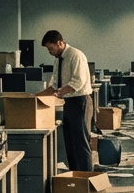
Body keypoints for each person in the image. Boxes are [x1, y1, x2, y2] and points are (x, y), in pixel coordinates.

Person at [39, 30, 93, 172]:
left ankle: (86, 178)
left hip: (80, 102)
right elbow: (55, 84)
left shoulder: (75, 55)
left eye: (51, 48)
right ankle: (75, 174)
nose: (50, 52)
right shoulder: (59, 59)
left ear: (60, 43)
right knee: (70, 143)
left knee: (81, 143)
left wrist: (59, 92)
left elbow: (78, 82)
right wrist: (35, 97)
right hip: (69, 103)